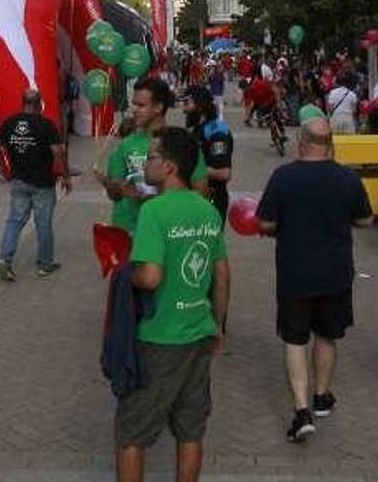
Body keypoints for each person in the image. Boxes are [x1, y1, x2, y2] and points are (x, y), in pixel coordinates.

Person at [115, 126, 229, 482]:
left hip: (160, 336)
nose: (145, 162)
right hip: (199, 331)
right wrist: (218, 325)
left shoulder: (154, 211)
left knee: (131, 433)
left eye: (151, 157)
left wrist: (124, 273)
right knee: (190, 429)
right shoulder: (207, 211)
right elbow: (222, 275)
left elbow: (150, 277)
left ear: (169, 167)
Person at [256, 118, 373, 441]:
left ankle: (301, 409)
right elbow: (366, 219)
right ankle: (322, 395)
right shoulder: (347, 177)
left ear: (301, 142)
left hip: (295, 272)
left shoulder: (283, 177)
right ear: (331, 144)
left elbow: (264, 222)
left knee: (295, 339)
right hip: (336, 273)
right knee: (326, 335)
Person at [102, 77, 208, 235]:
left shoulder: (183, 143)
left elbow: (201, 194)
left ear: (158, 106)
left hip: (168, 234)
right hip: (128, 235)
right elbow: (114, 194)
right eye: (134, 104)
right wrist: (118, 188)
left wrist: (161, 199)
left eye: (141, 105)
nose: (134, 110)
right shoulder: (125, 145)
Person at [0, 89, 71, 281]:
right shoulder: (46, 125)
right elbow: (58, 153)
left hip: (19, 180)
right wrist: (65, 176)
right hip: (42, 184)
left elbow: (3, 146)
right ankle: (45, 264)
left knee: (14, 221)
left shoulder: (9, 124)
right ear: (39, 104)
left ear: (23, 102)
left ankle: (5, 258)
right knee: (43, 224)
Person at [182, 85, 233, 218]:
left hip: (212, 200)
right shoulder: (197, 129)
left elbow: (223, 173)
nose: (183, 109)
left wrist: (185, 167)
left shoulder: (217, 131)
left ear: (199, 105)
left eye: (187, 103)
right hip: (194, 198)